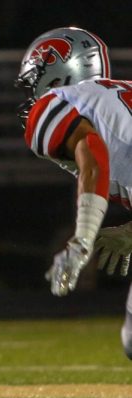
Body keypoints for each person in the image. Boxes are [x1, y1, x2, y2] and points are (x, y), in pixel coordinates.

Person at [16, 26, 132, 359]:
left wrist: (82, 240)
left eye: (35, 78)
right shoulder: (112, 99)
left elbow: (92, 153)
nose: (32, 93)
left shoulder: (58, 102)